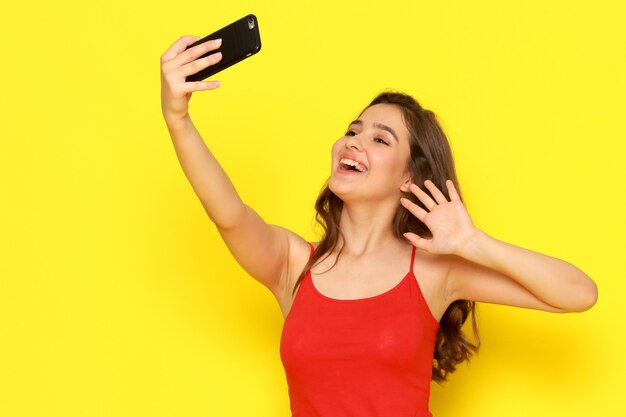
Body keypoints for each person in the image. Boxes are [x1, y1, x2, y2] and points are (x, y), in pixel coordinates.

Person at [160, 36, 598, 417]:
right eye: (353, 130)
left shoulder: (434, 272)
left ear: (409, 177)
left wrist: (473, 243)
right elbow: (229, 214)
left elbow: (579, 294)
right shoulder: (293, 266)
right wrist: (178, 118)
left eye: (380, 139)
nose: (354, 141)